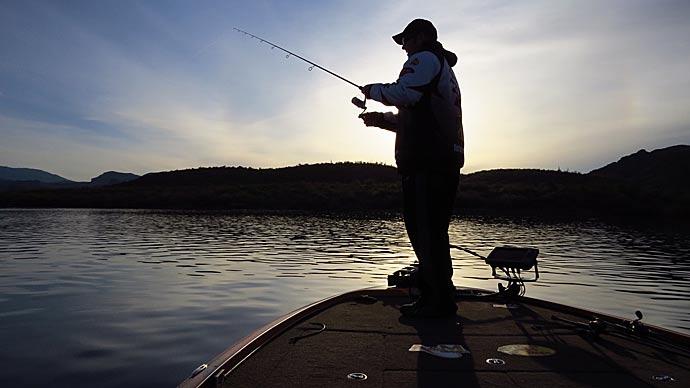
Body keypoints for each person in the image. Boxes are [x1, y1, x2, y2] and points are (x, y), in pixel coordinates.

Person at [359, 19, 464, 317]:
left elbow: (404, 94)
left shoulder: (424, 58)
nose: (403, 47)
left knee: (424, 231)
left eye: (405, 40)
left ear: (420, 37)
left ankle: (437, 302)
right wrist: (381, 120)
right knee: (433, 231)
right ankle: (441, 295)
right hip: (443, 158)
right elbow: (420, 112)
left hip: (427, 162)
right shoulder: (444, 69)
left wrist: (371, 89)